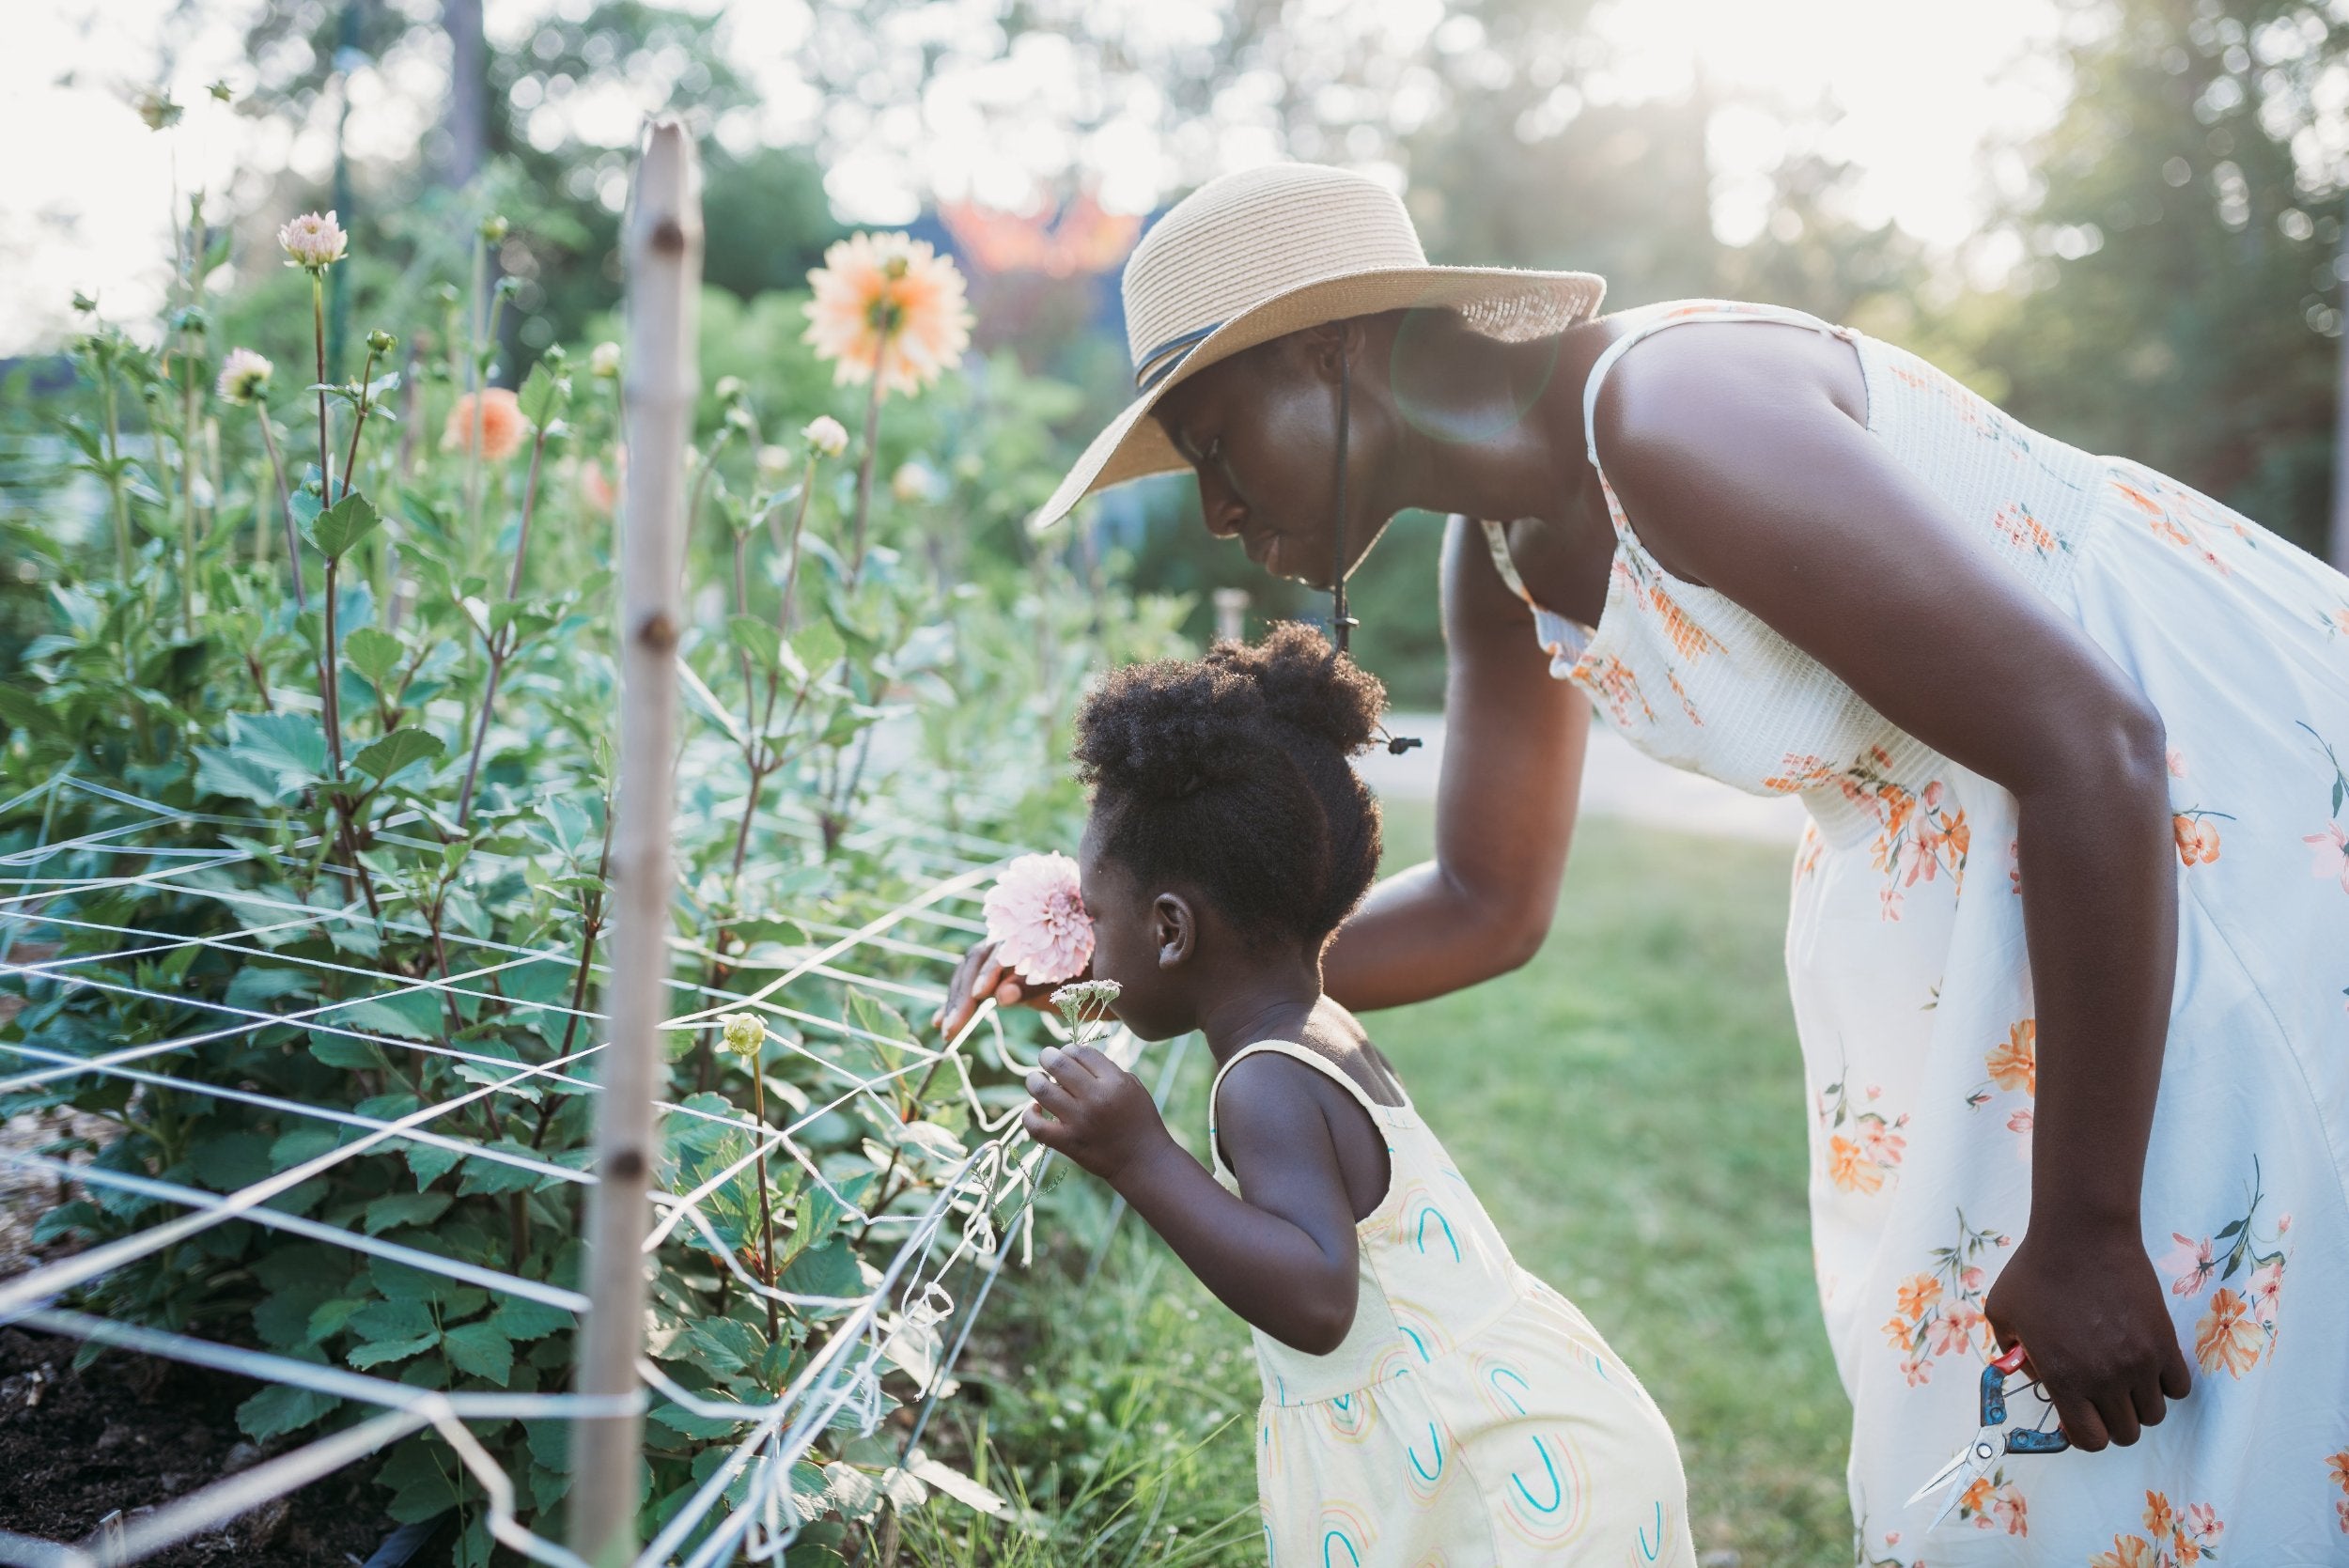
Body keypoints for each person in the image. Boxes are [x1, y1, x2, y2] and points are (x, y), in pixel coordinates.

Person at [939, 162, 2349, 1557]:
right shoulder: (1498, 559)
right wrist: (1140, 951)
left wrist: (2090, 1220)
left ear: (1324, 350)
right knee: (2013, 1437)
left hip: (2200, 824)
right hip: (1993, 864)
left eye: (1214, 446)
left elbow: (2094, 742)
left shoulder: (1676, 415)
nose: (1215, 511)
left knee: (2221, 1367)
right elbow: (1488, 902)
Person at [1019, 623, 1695, 1566]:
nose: (1089, 943)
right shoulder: (1315, 1023)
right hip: (1544, 1428)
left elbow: (1317, 1296)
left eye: (1094, 917)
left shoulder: (1260, 1084)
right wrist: (1059, 965)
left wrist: (1140, 1157)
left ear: (1170, 929)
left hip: (1492, 1492)